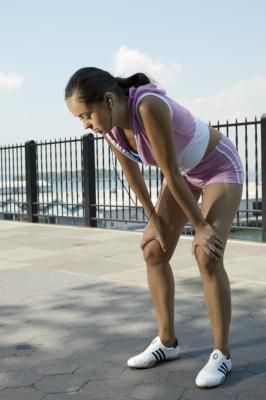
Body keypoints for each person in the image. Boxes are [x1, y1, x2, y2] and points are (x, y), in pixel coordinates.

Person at [65, 67, 244, 388]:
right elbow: (133, 174)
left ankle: (222, 354)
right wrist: (155, 220)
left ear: (108, 100)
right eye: (80, 119)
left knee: (207, 253)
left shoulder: (147, 106)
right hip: (186, 174)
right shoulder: (112, 130)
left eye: (86, 115)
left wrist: (201, 227)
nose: (86, 125)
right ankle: (167, 342)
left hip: (218, 166)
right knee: (153, 247)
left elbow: (170, 172)